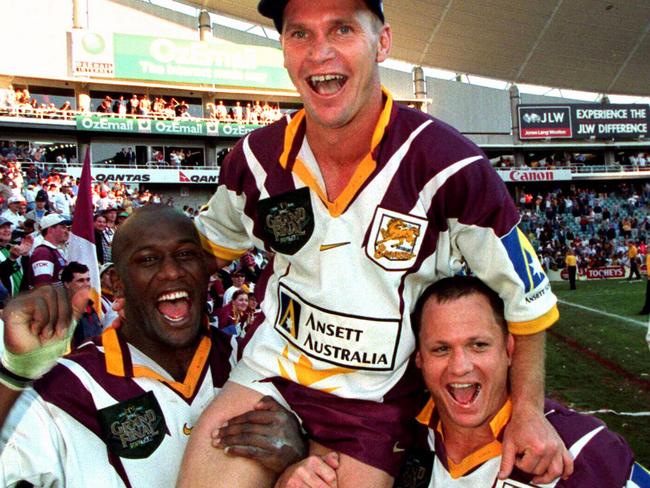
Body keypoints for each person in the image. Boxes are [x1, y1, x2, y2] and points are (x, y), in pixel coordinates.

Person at [181, 1, 567, 487]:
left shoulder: (450, 165)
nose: (319, 53)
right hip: (271, 377)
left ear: (382, 41)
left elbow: (526, 300)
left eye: (342, 30)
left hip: (376, 406)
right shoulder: (256, 158)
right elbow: (196, 254)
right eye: (300, 34)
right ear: (283, 50)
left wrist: (529, 410)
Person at [0, 206, 306, 487]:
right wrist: (12, 376)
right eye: (148, 259)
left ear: (206, 269)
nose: (172, 272)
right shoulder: (65, 390)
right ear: (117, 283)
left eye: (186, 255)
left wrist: (300, 453)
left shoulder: (255, 360)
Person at [283, 277, 650, 487]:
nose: (460, 367)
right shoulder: (388, 446)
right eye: (441, 349)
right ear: (419, 359)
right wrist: (289, 479)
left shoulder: (583, 449)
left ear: (509, 349)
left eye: (478, 345)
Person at [60, 261, 103, 347]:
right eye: (80, 281)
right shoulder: (62, 312)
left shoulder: (90, 307)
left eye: (88, 279)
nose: (86, 284)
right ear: (67, 284)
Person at [28, 213, 70, 287]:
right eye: (63, 227)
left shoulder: (54, 251)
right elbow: (42, 286)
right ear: (51, 230)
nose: (67, 231)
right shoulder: (42, 253)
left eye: (67, 228)